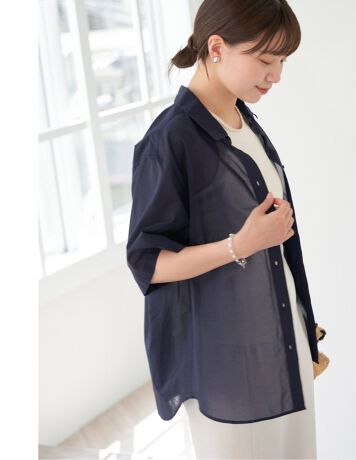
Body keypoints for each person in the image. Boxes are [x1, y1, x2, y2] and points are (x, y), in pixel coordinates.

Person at [126, 0, 320, 458]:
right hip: (226, 364)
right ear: (216, 48)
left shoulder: (242, 119)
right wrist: (241, 245)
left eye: (283, 61)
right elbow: (148, 263)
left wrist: (300, 319)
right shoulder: (170, 139)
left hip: (283, 339)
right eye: (265, 60)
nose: (276, 76)